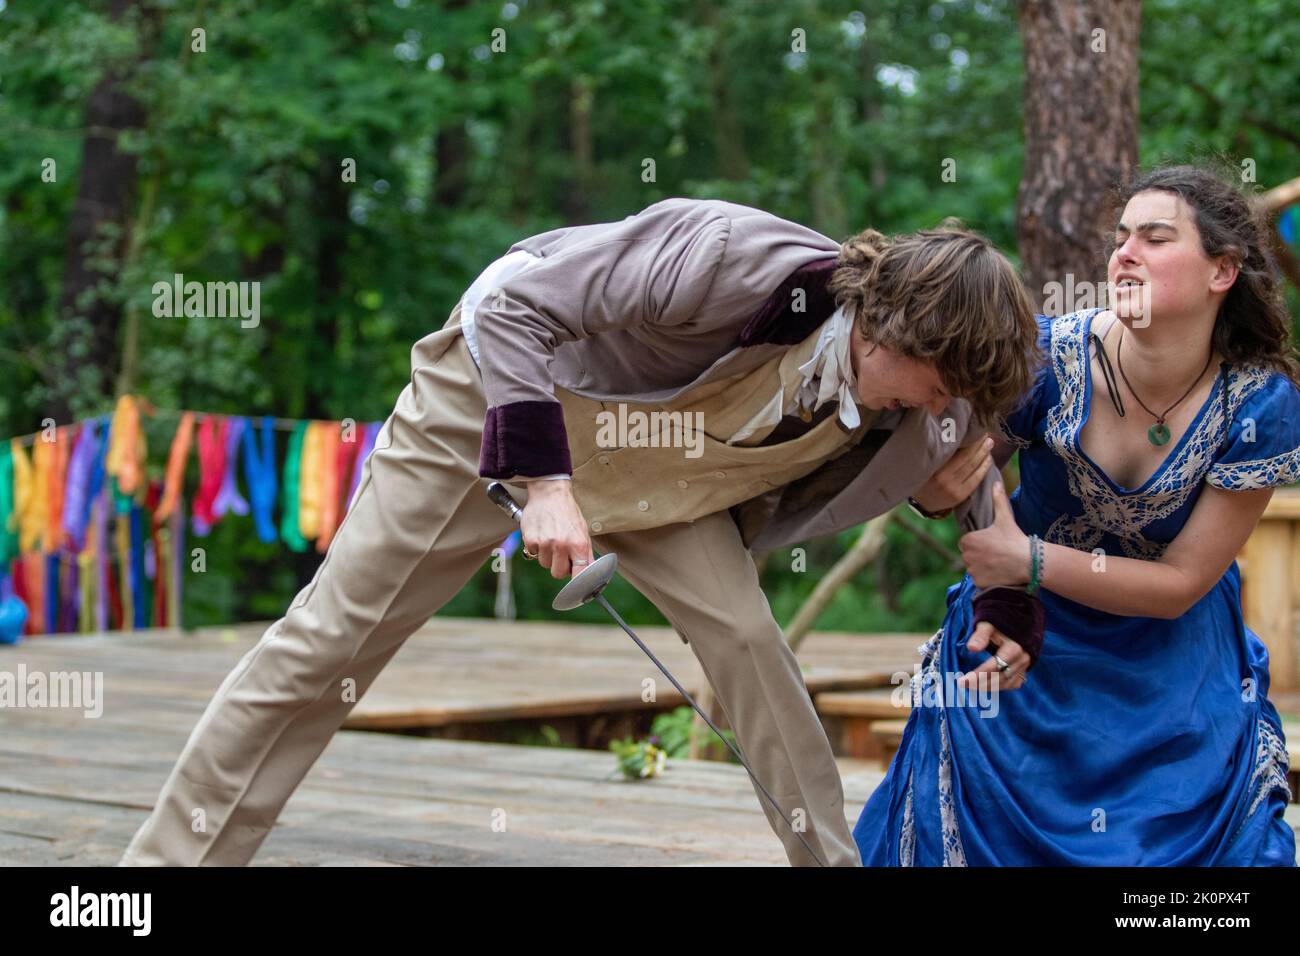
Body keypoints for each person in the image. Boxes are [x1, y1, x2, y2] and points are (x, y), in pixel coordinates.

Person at [119, 197, 1040, 867]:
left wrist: (1004, 593)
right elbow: (509, 305)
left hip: (662, 474)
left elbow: (968, 479)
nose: (947, 411)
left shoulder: (926, 406)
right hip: (496, 400)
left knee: (751, 641)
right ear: (892, 331)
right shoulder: (727, 255)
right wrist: (546, 480)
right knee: (331, 640)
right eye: (943, 385)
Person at [854, 164, 1300, 866]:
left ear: (1223, 271)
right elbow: (961, 469)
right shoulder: (1044, 358)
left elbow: (1184, 580)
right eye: (1121, 237)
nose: (1124, 253)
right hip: (1021, 638)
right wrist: (949, 491)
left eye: (1155, 238)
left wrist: (1024, 557)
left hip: (1173, 670)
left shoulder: (1257, 407)